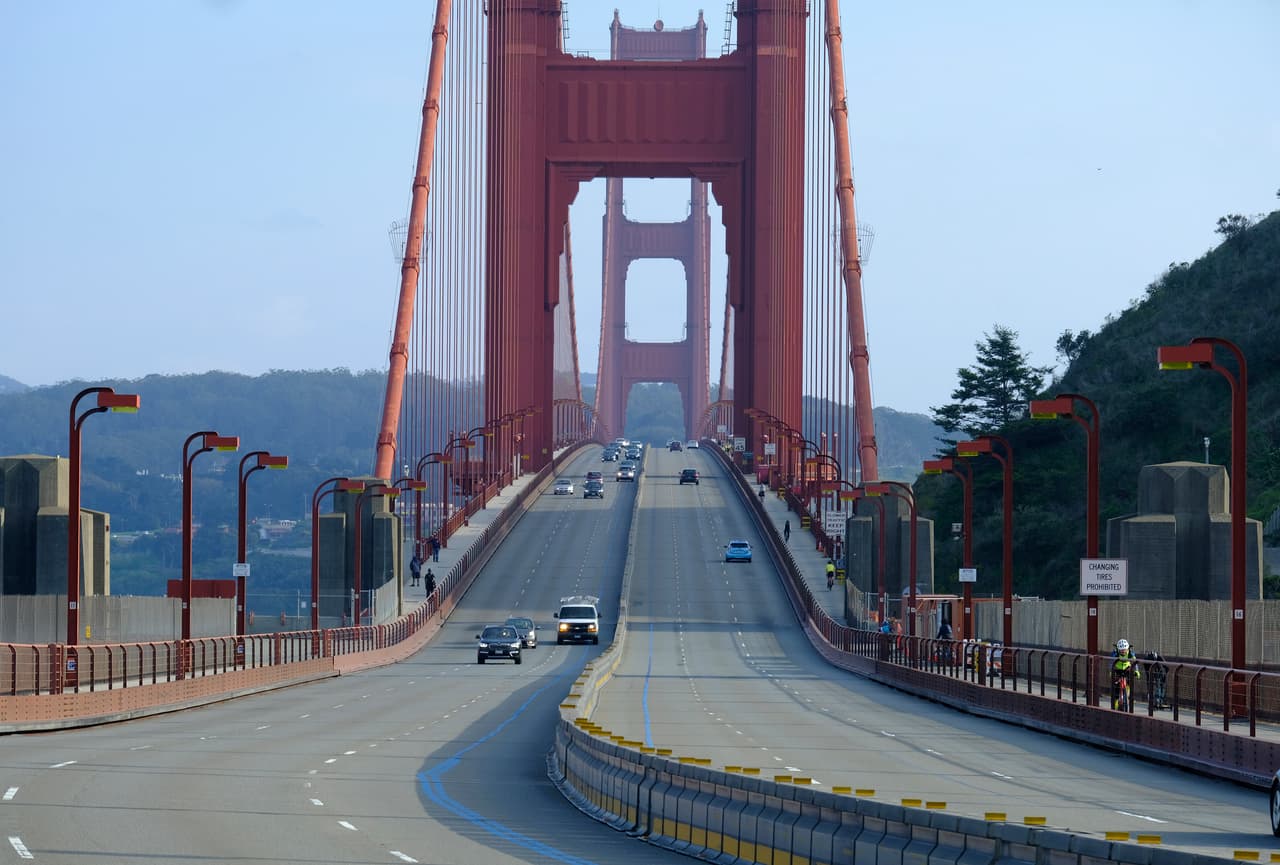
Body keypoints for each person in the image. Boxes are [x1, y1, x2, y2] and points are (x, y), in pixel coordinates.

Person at [1111, 638, 1142, 711]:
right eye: (1121, 650)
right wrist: (1111, 671)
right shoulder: (1115, 653)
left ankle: (1127, 695)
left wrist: (1137, 671)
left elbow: (1135, 663)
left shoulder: (1131, 653)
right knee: (1116, 688)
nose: (1123, 651)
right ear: (1118, 649)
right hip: (1117, 669)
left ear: (1127, 648)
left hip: (1127, 668)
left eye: (1124, 650)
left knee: (1129, 681)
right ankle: (1115, 704)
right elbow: (1111, 663)